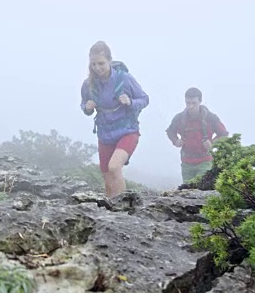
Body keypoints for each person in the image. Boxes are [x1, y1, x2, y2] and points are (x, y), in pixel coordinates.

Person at [80, 41, 150, 198]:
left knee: (114, 167)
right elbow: (84, 104)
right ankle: (110, 210)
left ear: (110, 61)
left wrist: (130, 102)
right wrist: (87, 107)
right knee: (106, 174)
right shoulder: (89, 84)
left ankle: (122, 208)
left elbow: (144, 99)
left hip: (127, 130)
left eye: (101, 63)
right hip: (105, 133)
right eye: (94, 64)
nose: (97, 68)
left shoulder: (124, 79)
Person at [166, 87, 229, 183]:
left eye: (194, 103)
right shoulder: (179, 118)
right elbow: (170, 131)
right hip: (186, 162)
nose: (190, 106)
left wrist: (212, 142)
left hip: (205, 161)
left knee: (202, 188)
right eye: (188, 103)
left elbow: (223, 134)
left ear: (200, 101)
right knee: (187, 190)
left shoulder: (210, 117)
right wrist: (176, 141)